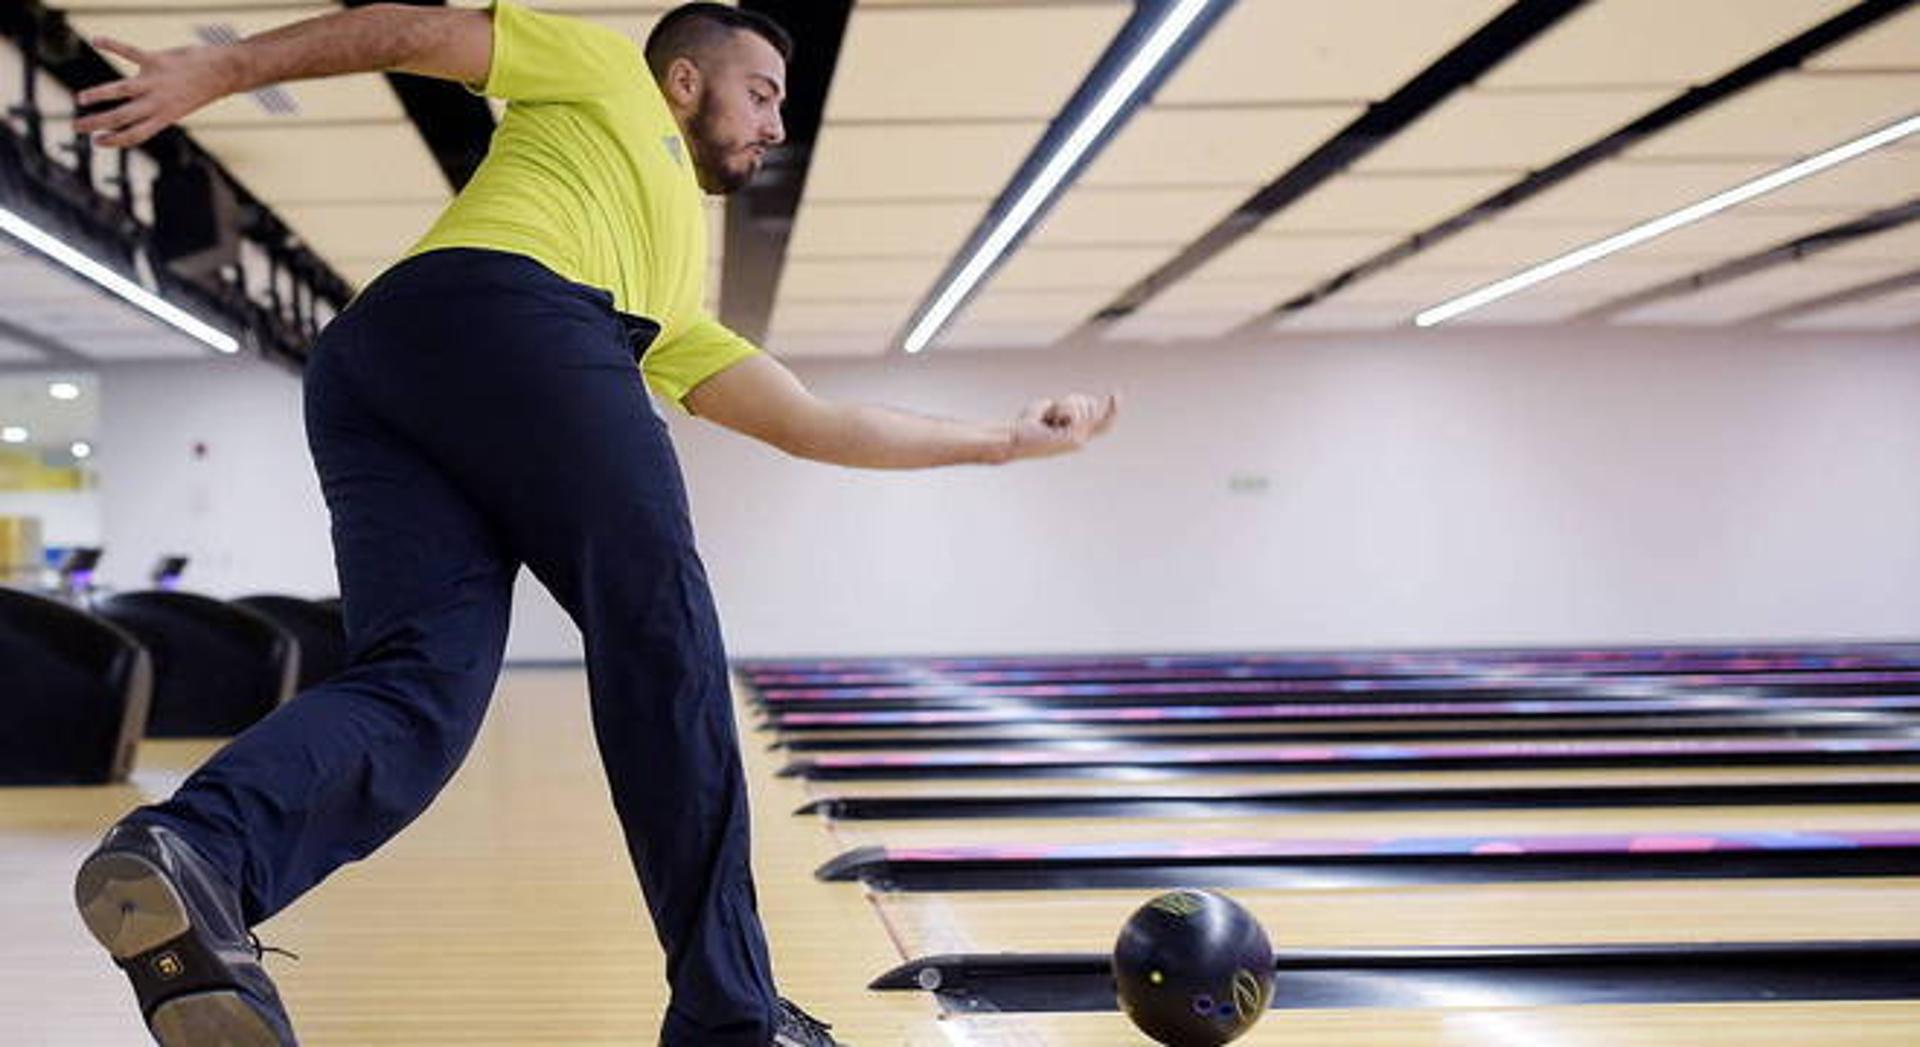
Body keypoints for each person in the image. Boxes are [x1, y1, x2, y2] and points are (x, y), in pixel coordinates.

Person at [67, 3, 1119, 1045]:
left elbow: (814, 422)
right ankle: (730, 1016)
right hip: (512, 312)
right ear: (686, 81)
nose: (775, 126)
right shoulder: (607, 71)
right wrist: (221, 74)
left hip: (372, 363)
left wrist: (1003, 441)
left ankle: (192, 854)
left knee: (418, 690)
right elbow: (410, 32)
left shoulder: (667, 299)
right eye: (762, 94)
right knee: (664, 643)